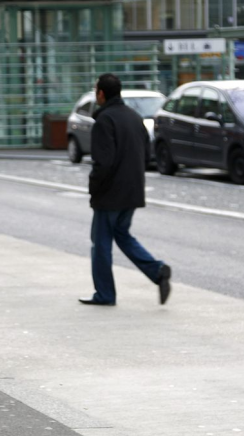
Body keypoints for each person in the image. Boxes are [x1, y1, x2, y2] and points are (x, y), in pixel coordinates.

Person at [80, 73, 171, 306]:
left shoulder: (104, 120)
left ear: (101, 93)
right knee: (122, 235)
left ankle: (105, 294)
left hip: (110, 193)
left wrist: (94, 189)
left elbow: (103, 163)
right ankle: (158, 271)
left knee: (100, 245)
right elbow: (147, 154)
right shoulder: (134, 117)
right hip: (133, 191)